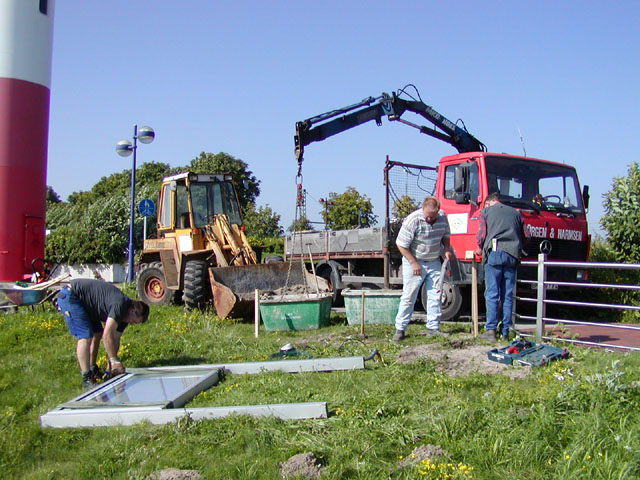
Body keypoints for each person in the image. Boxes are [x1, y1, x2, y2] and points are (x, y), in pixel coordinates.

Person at [56, 279, 150, 389]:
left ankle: (92, 369)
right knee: (85, 336)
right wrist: (114, 361)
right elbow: (107, 335)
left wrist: (110, 366)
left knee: (97, 333)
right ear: (133, 311)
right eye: (134, 321)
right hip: (72, 296)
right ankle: (86, 379)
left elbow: (115, 338)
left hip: (89, 305)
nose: (132, 324)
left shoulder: (125, 318)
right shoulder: (120, 305)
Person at [392, 197, 454, 341]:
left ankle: (433, 328)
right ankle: (400, 329)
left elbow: (446, 234)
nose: (430, 218)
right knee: (409, 295)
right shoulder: (413, 220)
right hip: (414, 259)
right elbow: (401, 244)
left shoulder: (442, 217)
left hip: (433, 261)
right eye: (427, 216)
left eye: (433, 216)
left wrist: (446, 248)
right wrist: (413, 263)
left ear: (437, 212)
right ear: (423, 208)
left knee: (435, 295)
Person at [475, 192, 525, 341]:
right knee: (507, 295)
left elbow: (481, 235)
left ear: (489, 203)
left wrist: (479, 247)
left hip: (495, 254)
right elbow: (526, 235)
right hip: (512, 255)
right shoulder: (516, 213)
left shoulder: (485, 212)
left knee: (492, 293)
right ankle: (505, 332)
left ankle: (490, 331)